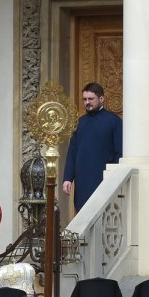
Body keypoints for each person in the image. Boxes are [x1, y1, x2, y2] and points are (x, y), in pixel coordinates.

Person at [62, 82, 123, 212]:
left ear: (101, 98)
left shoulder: (114, 121)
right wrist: (68, 178)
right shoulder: (80, 122)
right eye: (84, 99)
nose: (87, 102)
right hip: (82, 180)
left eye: (91, 99)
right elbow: (72, 152)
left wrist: (112, 177)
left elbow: (119, 152)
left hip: (103, 179)